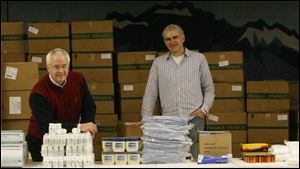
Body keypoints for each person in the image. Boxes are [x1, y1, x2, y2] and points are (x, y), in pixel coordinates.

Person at [135, 24, 215, 160]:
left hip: (194, 119)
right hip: (169, 122)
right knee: (172, 160)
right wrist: (146, 117)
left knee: (196, 160)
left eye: (175, 37)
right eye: (168, 39)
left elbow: (209, 88)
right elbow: (150, 93)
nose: (172, 42)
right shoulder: (158, 63)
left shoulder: (199, 59)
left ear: (183, 38)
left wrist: (204, 109)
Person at [26, 48, 97, 161]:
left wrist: (88, 127)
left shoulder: (78, 79)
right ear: (48, 67)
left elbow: (89, 106)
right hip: (42, 142)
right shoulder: (38, 92)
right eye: (56, 67)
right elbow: (48, 126)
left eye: (64, 66)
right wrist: (79, 127)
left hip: (72, 140)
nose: (61, 71)